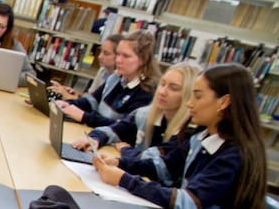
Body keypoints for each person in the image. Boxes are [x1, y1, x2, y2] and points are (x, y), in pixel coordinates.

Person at [93, 63, 268, 209]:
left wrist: (124, 179)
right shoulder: (202, 136)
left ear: (224, 102)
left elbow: (185, 202)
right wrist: (120, 163)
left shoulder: (234, 154)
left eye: (198, 96)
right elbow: (164, 168)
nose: (189, 104)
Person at [72, 62, 201, 155]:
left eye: (174, 88)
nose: (162, 91)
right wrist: (96, 138)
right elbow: (116, 130)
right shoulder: (145, 115)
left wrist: (125, 151)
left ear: (190, 95)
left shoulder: (189, 132)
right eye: (163, 84)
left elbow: (156, 163)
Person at [57, 29, 161, 128]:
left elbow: (125, 128)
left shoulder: (147, 92)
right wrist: (66, 104)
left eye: (126, 56)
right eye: (118, 54)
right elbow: (92, 101)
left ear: (143, 59)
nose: (119, 60)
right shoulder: (115, 78)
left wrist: (85, 117)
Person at [48, 34, 122, 100]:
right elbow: (92, 96)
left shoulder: (120, 80)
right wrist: (76, 93)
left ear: (118, 56)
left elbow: (98, 106)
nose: (99, 57)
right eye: (101, 52)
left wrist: (71, 98)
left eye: (106, 53)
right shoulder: (103, 70)